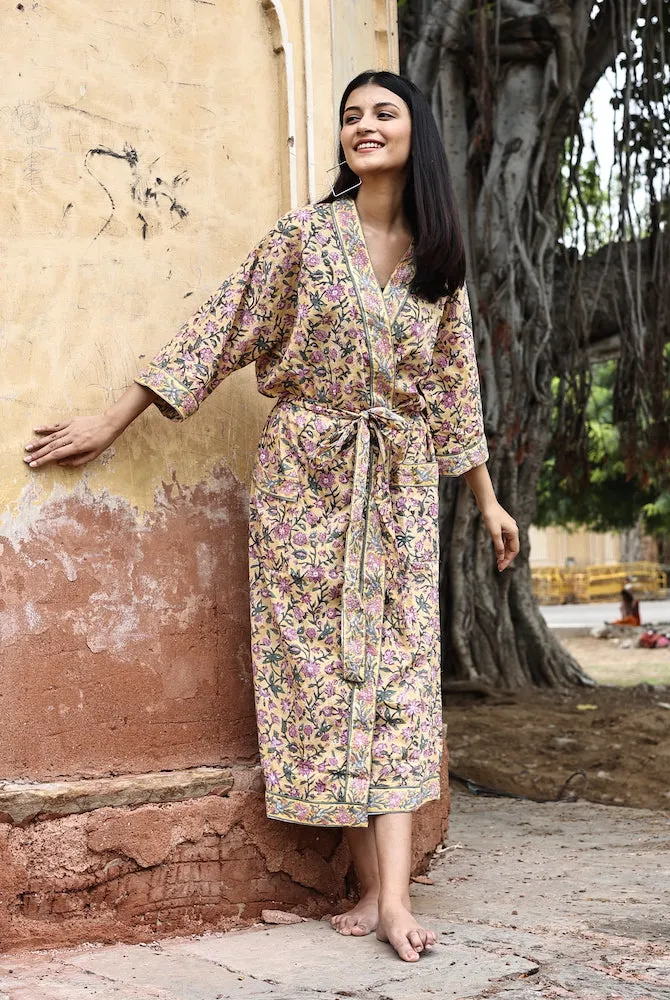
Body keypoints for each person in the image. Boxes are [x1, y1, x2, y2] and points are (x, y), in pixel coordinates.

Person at [23, 70, 518, 963]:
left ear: (418, 137)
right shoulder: (301, 239)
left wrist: (486, 501)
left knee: (400, 678)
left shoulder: (439, 267)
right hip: (305, 478)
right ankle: (367, 882)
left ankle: (394, 899)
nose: (363, 127)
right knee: (323, 675)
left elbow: (455, 392)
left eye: (384, 114)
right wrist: (109, 419)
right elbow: (216, 329)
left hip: (398, 485)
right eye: (351, 117)